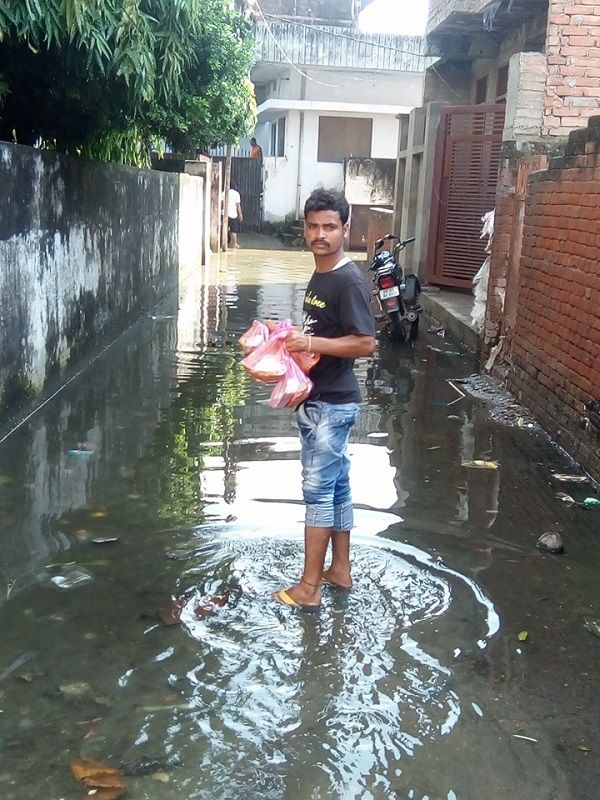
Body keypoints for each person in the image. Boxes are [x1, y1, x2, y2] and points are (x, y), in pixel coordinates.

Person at [273, 189, 376, 609]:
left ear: (345, 229)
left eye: (330, 226)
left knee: (317, 495)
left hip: (331, 406)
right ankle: (340, 570)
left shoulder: (348, 279)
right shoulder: (323, 274)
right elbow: (327, 336)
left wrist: (310, 339)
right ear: (305, 228)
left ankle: (309, 588)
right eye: (313, 226)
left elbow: (366, 343)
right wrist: (291, 342)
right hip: (322, 399)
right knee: (336, 490)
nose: (320, 234)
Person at [227, 181, 243, 248]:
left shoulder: (224, 193)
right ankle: (234, 244)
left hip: (225, 214)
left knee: (225, 229)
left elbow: (221, 203)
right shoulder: (236, 194)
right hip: (233, 214)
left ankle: (225, 243)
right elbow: (238, 205)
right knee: (233, 230)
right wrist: (240, 214)